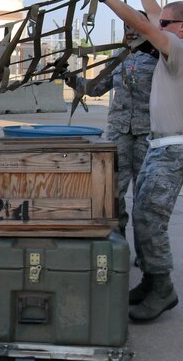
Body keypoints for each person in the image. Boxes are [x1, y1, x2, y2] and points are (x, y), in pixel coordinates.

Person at [79, 0, 183, 323]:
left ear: (181, 27)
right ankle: (151, 282)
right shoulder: (162, 49)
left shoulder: (180, 50)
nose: (151, 28)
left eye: (165, 24)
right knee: (139, 216)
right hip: (159, 146)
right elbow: (153, 18)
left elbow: (148, 24)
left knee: (148, 218)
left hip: (173, 149)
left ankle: (163, 288)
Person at [68, 13, 158, 236]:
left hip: (148, 132)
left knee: (145, 192)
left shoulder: (160, 58)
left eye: (137, 25)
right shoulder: (118, 57)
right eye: (128, 25)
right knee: (113, 188)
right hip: (119, 132)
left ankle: (145, 248)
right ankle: (118, 242)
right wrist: (72, 80)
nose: (132, 31)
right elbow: (97, 87)